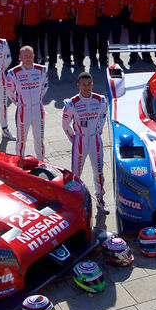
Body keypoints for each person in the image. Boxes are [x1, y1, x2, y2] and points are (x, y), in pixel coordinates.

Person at [62, 72, 108, 211]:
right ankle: (75, 200)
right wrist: (74, 139)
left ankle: (100, 198)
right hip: (80, 140)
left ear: (92, 84)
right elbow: (65, 125)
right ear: (78, 85)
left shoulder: (100, 100)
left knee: (99, 171)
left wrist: (97, 131)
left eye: (89, 84)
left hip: (95, 140)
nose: (87, 87)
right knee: (76, 173)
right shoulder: (71, 103)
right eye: (83, 84)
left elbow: (103, 117)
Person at [5, 46, 49, 159]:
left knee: (39, 138)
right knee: (21, 139)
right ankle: (19, 161)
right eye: (25, 56)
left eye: (30, 56)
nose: (28, 58)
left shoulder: (42, 70)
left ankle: (41, 161)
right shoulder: (13, 73)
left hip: (38, 108)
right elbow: (10, 92)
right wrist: (19, 103)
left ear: (34, 56)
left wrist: (37, 99)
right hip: (23, 110)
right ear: (20, 57)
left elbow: (45, 87)